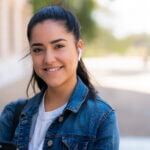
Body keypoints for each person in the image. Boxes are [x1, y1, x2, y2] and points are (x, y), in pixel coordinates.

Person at [0, 6, 119, 150]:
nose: (49, 59)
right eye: (38, 49)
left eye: (58, 46)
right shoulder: (13, 114)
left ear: (78, 48)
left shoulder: (101, 118)